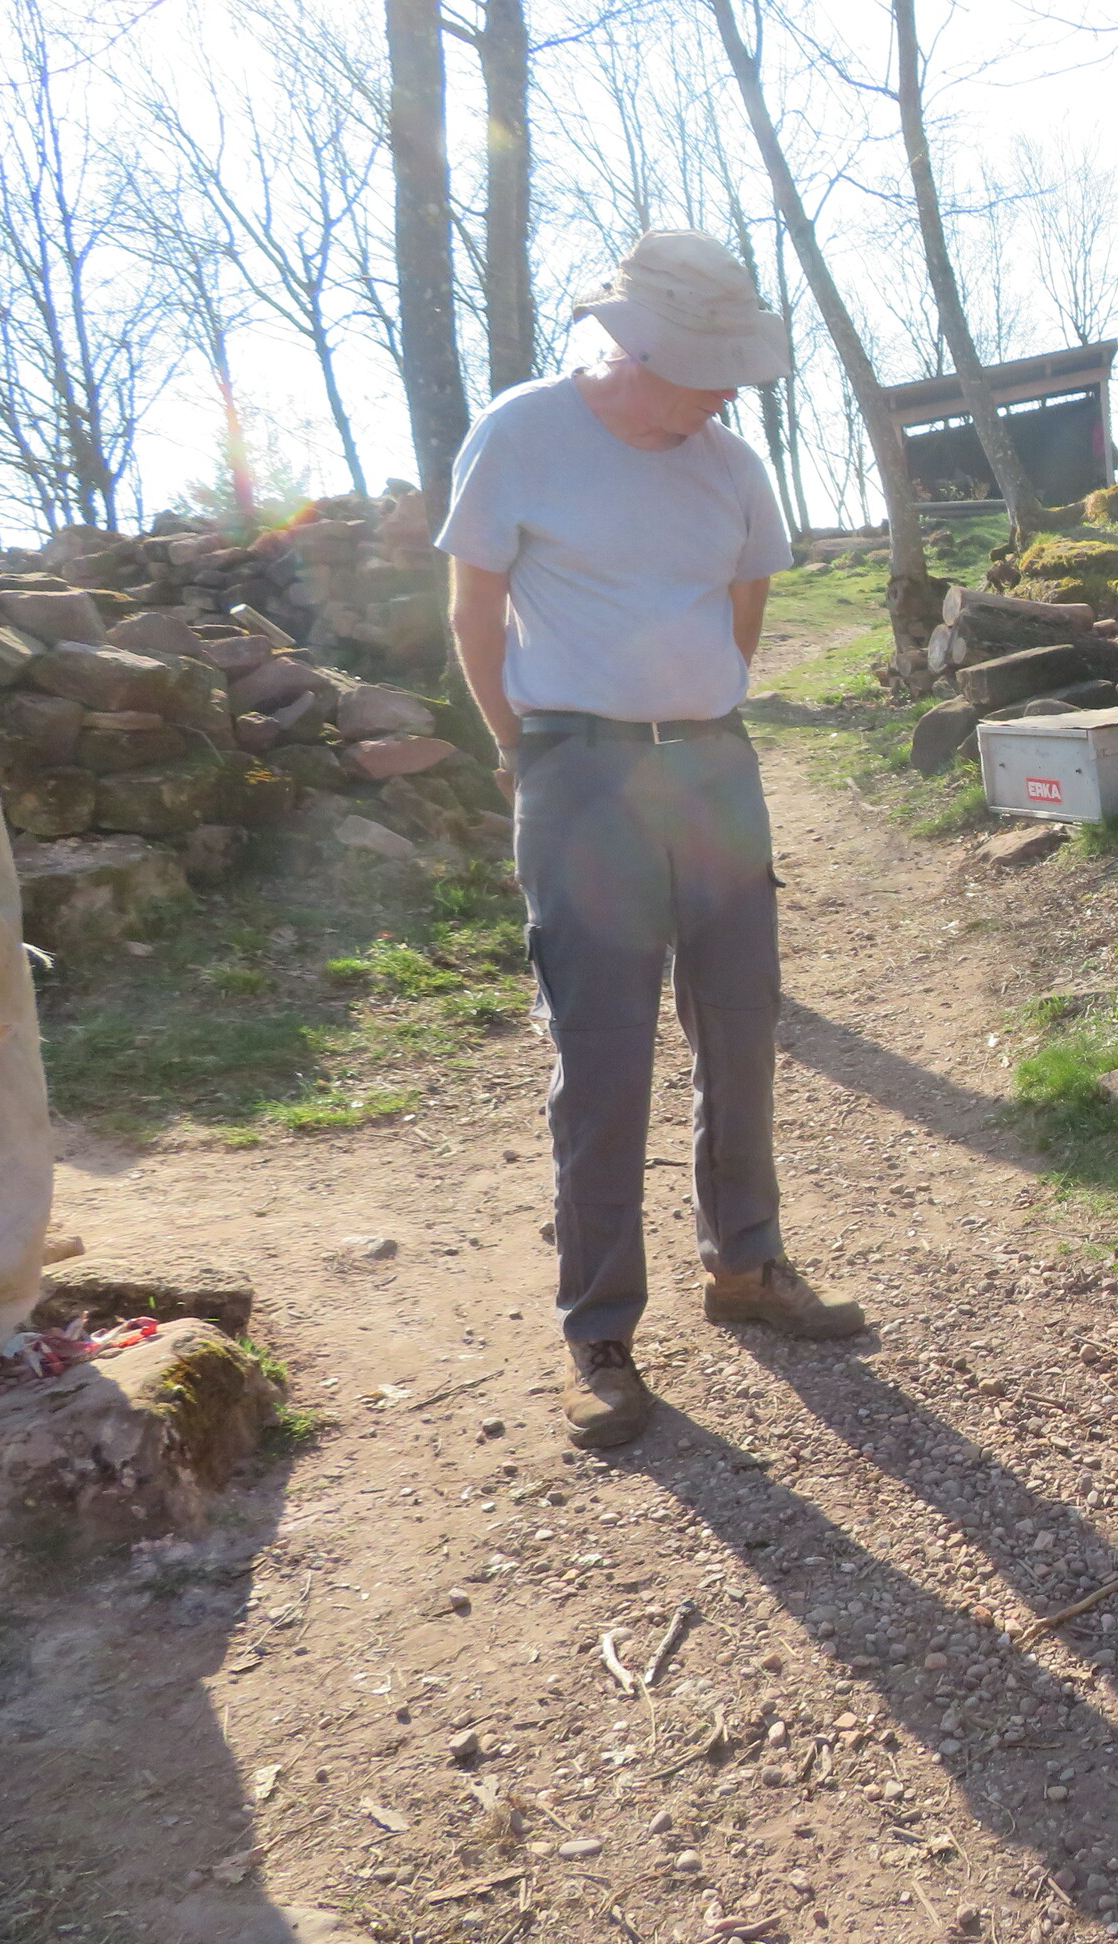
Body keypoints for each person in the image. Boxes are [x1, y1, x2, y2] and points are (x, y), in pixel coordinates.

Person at [437, 229, 864, 1453]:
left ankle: (746, 1263)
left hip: (714, 769)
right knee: (604, 1054)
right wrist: (524, 747)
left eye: (734, 369)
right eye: (705, 368)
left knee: (741, 1024)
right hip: (580, 771)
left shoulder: (732, 465)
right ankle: (600, 1329)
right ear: (632, 347)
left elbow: (744, 607)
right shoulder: (521, 433)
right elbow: (472, 608)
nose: (726, 392)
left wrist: (696, 710)